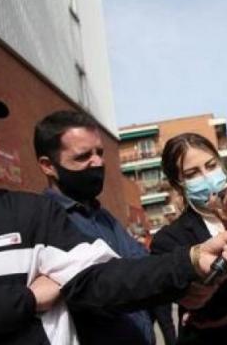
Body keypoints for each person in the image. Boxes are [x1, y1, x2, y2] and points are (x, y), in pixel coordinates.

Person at [0, 66, 227, 344]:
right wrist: (24, 300)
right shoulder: (55, 212)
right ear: (47, 165)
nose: (97, 164)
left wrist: (189, 264)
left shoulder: (31, 215)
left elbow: (109, 279)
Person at [33, 110, 172, 344]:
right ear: (48, 165)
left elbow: (142, 272)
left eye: (99, 152)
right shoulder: (44, 224)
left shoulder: (104, 217)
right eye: (83, 156)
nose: (97, 162)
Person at [151, 133, 227, 345]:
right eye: (192, 174)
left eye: (211, 166)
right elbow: (204, 306)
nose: (207, 176)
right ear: (177, 184)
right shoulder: (170, 239)